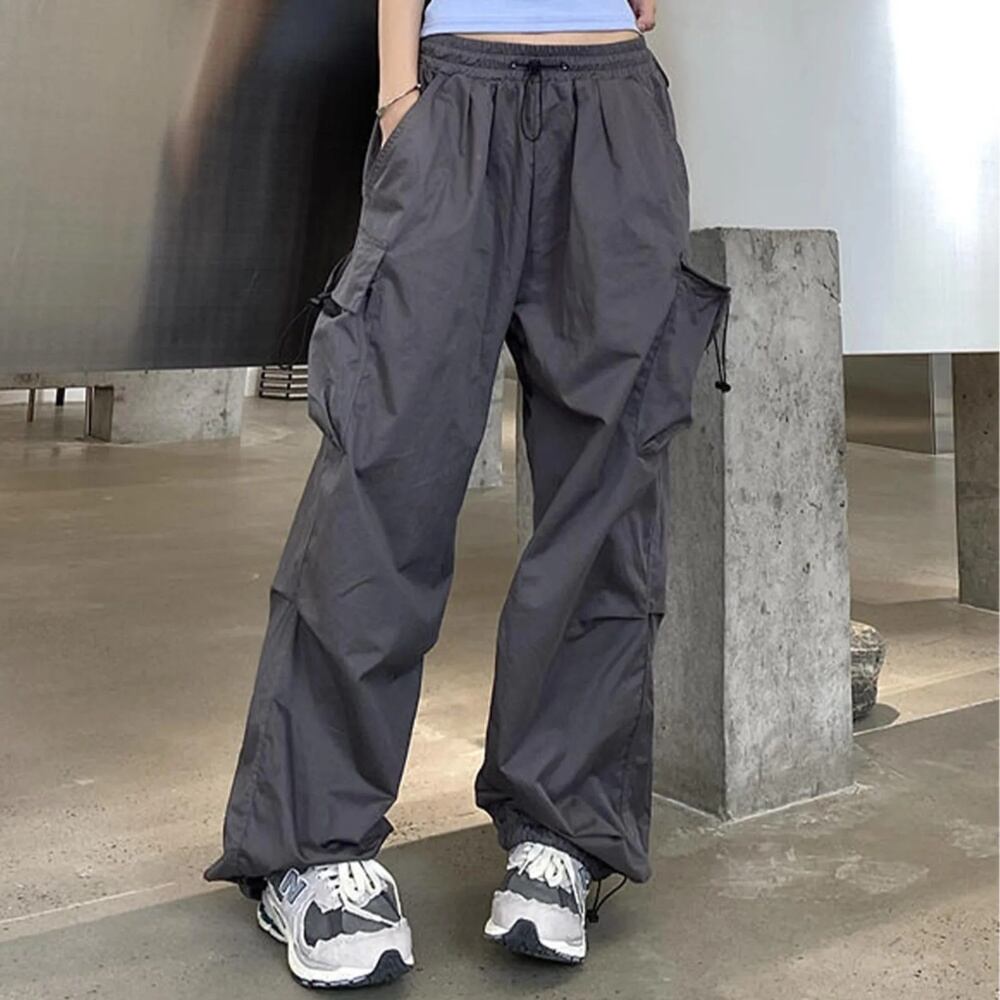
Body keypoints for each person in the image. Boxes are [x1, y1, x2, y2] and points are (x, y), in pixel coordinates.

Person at [205, 0, 731, 988]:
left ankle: (561, 834)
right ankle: (312, 844)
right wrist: (398, 95)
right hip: (451, 95)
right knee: (382, 475)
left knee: (603, 495)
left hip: (613, 102)